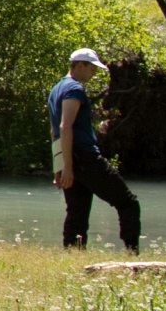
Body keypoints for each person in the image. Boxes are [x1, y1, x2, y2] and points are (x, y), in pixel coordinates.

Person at [49, 46, 141, 254]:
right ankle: (132, 253)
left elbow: (53, 132)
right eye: (91, 68)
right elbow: (65, 127)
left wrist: (59, 165)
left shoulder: (56, 89)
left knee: (77, 212)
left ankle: (73, 256)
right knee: (128, 203)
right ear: (79, 65)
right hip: (84, 157)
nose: (94, 72)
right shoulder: (74, 89)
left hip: (69, 157)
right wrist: (68, 168)